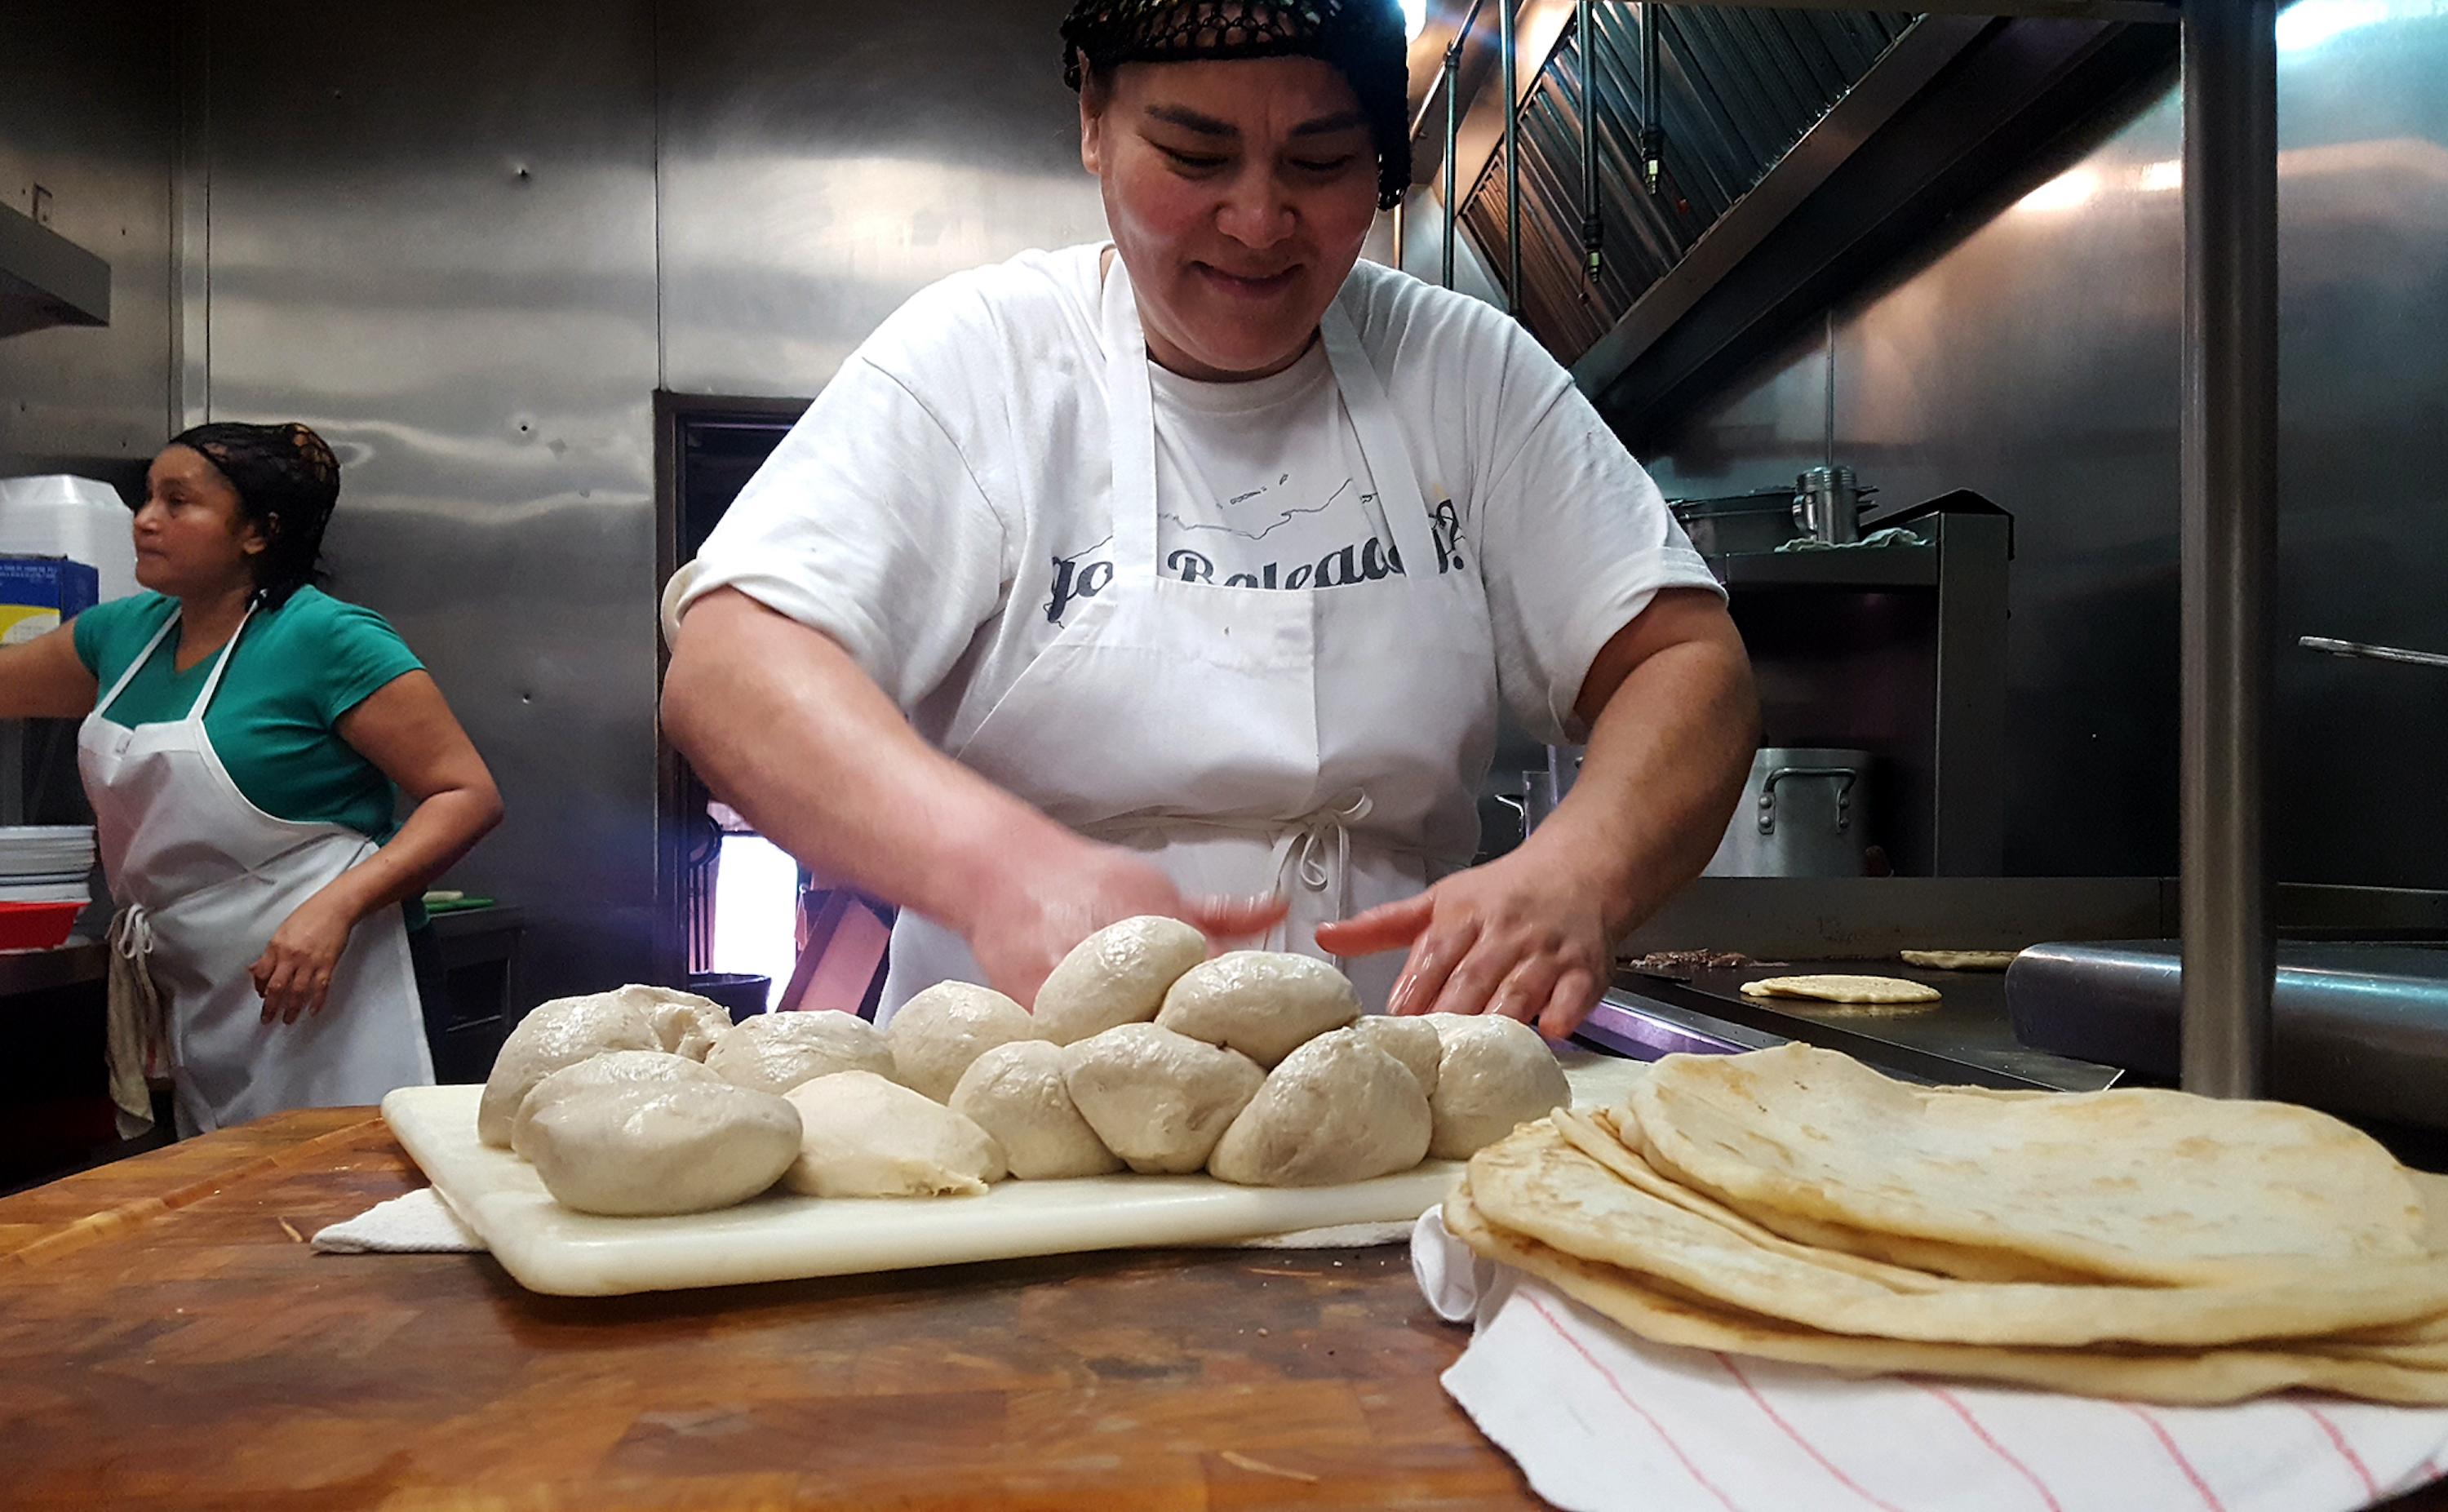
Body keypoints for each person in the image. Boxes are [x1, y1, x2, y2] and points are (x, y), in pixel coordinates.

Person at [660, 0, 1755, 1037]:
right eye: (1195, 156)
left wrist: (1583, 868)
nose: (1257, 220)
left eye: (1321, 163)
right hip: (1013, 1109)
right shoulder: (980, 361)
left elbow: (1687, 665)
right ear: (1094, 119)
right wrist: (995, 869)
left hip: (1392, 1094)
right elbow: (733, 667)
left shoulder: (1465, 373)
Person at [0, 422, 504, 1135]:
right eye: (148, 497)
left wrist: (335, 909)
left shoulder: (327, 637)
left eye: (178, 502)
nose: (146, 520)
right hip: (201, 991)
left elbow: (467, 794)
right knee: (230, 1209)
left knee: (346, 1198)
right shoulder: (124, 635)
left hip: (336, 989)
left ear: (259, 533)